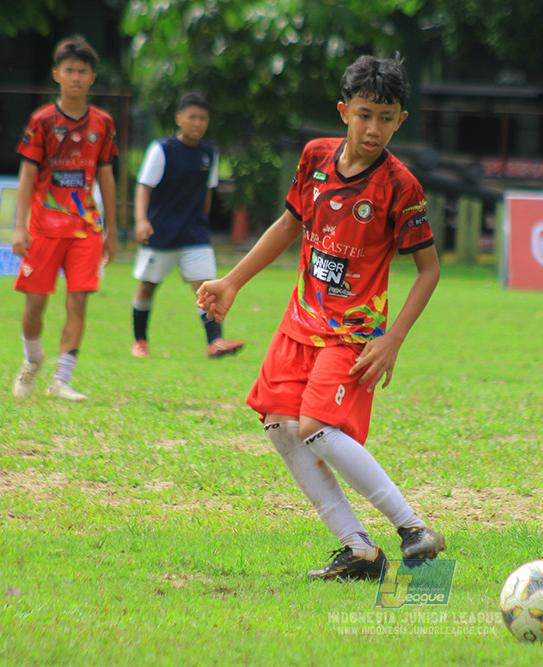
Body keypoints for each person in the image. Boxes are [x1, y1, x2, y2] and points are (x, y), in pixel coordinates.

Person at [196, 55, 445, 581]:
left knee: (316, 427)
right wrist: (231, 281)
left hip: (353, 334)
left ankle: (413, 528)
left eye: (386, 118)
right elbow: (290, 224)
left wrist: (393, 338)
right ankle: (358, 549)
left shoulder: (401, 187)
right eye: (364, 115)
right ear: (343, 111)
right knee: (280, 425)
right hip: (300, 321)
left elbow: (429, 270)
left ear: (401, 120)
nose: (373, 128)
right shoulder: (314, 158)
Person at [11, 35, 117, 402]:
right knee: (34, 305)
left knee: (78, 302)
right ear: (56, 74)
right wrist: (19, 226)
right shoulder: (41, 120)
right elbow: (27, 174)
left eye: (82, 72)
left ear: (92, 78)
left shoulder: (103, 123)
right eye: (69, 70)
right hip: (43, 227)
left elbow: (106, 176)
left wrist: (112, 230)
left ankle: (61, 380)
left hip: (86, 228)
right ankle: (32, 359)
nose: (75, 77)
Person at [130, 92, 244, 359]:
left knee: (207, 288)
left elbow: (207, 192)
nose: (197, 123)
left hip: (194, 234)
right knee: (147, 287)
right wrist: (141, 220)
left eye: (203, 118)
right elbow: (144, 186)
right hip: (161, 232)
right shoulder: (162, 150)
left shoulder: (209, 153)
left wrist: (202, 222)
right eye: (192, 117)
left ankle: (215, 341)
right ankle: (140, 341)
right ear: (179, 118)